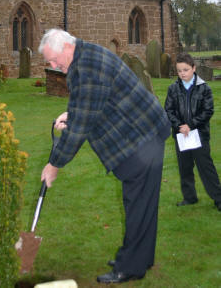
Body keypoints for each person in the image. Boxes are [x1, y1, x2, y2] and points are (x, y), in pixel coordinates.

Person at [38, 29, 171, 284]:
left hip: (142, 137)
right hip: (142, 132)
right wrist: (71, 114)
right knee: (142, 203)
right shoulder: (83, 58)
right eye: (50, 63)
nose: (54, 67)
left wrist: (54, 163)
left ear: (67, 47)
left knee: (138, 204)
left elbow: (81, 124)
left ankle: (130, 267)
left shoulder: (87, 67)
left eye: (55, 60)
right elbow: (89, 103)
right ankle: (141, 258)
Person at [164, 52, 221, 211]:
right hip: (181, 135)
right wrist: (180, 126)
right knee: (185, 167)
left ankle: (219, 198)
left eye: (186, 70)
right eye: (179, 70)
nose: (182, 73)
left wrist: (191, 125)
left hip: (199, 135)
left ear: (194, 68)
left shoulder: (204, 88)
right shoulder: (173, 88)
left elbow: (208, 110)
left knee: (206, 167)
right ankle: (189, 197)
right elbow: (168, 110)